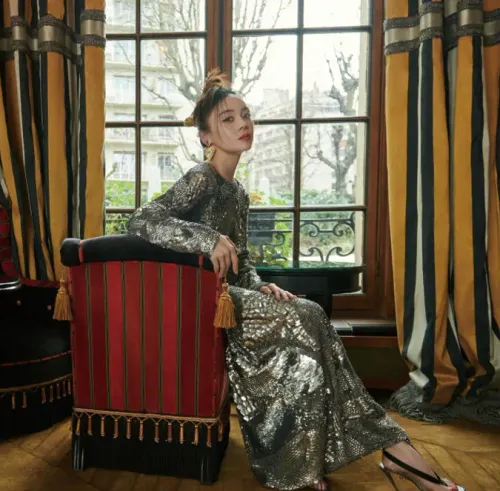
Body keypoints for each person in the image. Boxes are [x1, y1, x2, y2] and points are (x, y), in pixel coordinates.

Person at [125, 69, 464, 491]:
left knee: (311, 314)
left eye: (246, 115)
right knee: (304, 319)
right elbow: (141, 219)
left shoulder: (239, 192)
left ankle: (350, 454)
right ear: (206, 136)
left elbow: (243, 260)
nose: (243, 123)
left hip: (236, 296)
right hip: (206, 303)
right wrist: (205, 237)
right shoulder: (201, 177)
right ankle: (373, 453)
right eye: (228, 118)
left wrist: (260, 284)